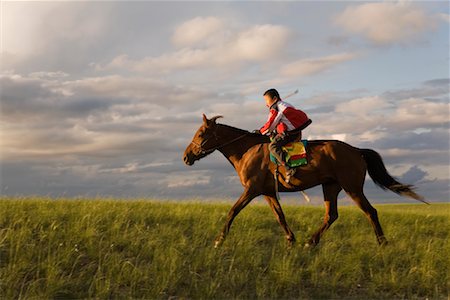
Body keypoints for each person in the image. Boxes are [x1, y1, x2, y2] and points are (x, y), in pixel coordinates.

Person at [258, 88, 310, 183]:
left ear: (274, 99)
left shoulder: (276, 108)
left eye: (266, 100)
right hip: (295, 131)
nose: (266, 104)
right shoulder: (285, 104)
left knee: (273, 146)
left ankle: (289, 168)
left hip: (291, 134)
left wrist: (260, 132)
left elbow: (270, 124)